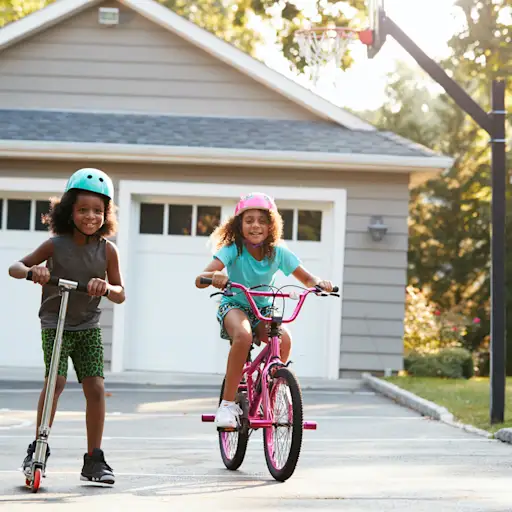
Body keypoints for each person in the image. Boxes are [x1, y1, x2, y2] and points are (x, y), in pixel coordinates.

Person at [8, 168, 125, 485]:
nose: (91, 216)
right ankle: (38, 449)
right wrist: (36, 273)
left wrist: (105, 287)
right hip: (55, 323)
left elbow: (121, 293)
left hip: (87, 325)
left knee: (96, 388)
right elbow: (15, 267)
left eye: (98, 211)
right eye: (83, 209)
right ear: (68, 211)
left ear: (106, 214)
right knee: (55, 382)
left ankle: (94, 459)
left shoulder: (107, 250)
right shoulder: (55, 245)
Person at [195, 192, 333, 428]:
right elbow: (200, 278)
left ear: (271, 226)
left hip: (264, 306)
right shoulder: (232, 250)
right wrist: (214, 276)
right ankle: (227, 405)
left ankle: (271, 385)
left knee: (284, 338)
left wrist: (319, 284)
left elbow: (308, 278)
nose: (255, 226)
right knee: (243, 335)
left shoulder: (278, 252)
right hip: (235, 305)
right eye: (249, 220)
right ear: (239, 225)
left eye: (262, 220)